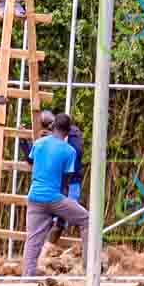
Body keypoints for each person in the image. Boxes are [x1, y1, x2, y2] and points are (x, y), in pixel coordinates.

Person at [21, 113, 89, 275]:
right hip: (54, 197)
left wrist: (24, 143)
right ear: (67, 132)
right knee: (87, 220)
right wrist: (60, 209)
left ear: (52, 127)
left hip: (34, 196)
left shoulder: (39, 143)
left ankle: (27, 277)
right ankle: (89, 267)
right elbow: (65, 182)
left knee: (33, 239)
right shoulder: (69, 151)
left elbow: (30, 161)